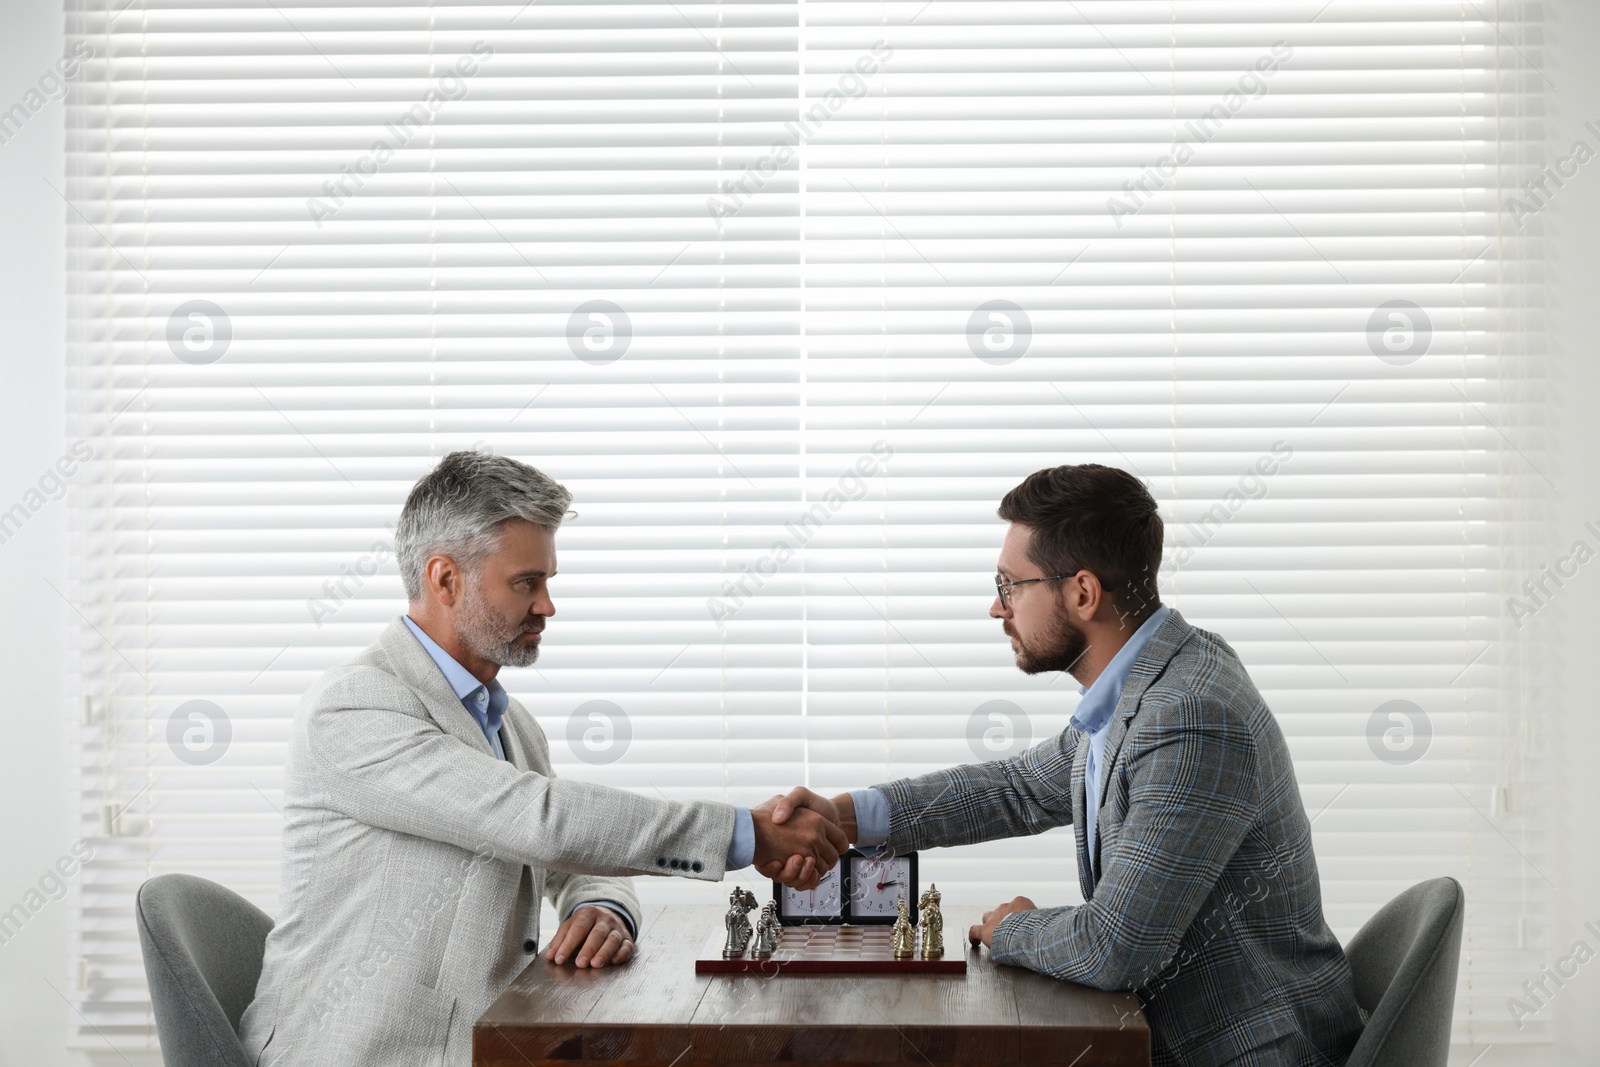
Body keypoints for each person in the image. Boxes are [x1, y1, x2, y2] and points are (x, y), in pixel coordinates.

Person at [241, 452, 847, 1067]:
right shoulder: (357, 707)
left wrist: (602, 906)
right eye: (526, 582)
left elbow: (564, 853)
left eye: (548, 581)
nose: (547, 606)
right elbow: (540, 820)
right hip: (355, 1050)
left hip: (486, 1040)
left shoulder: (512, 723)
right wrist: (748, 835)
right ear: (445, 579)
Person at [764, 463, 1366, 1067]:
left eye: (1010, 586)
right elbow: (1017, 789)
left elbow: (1114, 946)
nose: (997, 610)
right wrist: (841, 817)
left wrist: (1012, 930)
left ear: (1082, 592)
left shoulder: (1188, 715)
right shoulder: (1150, 682)